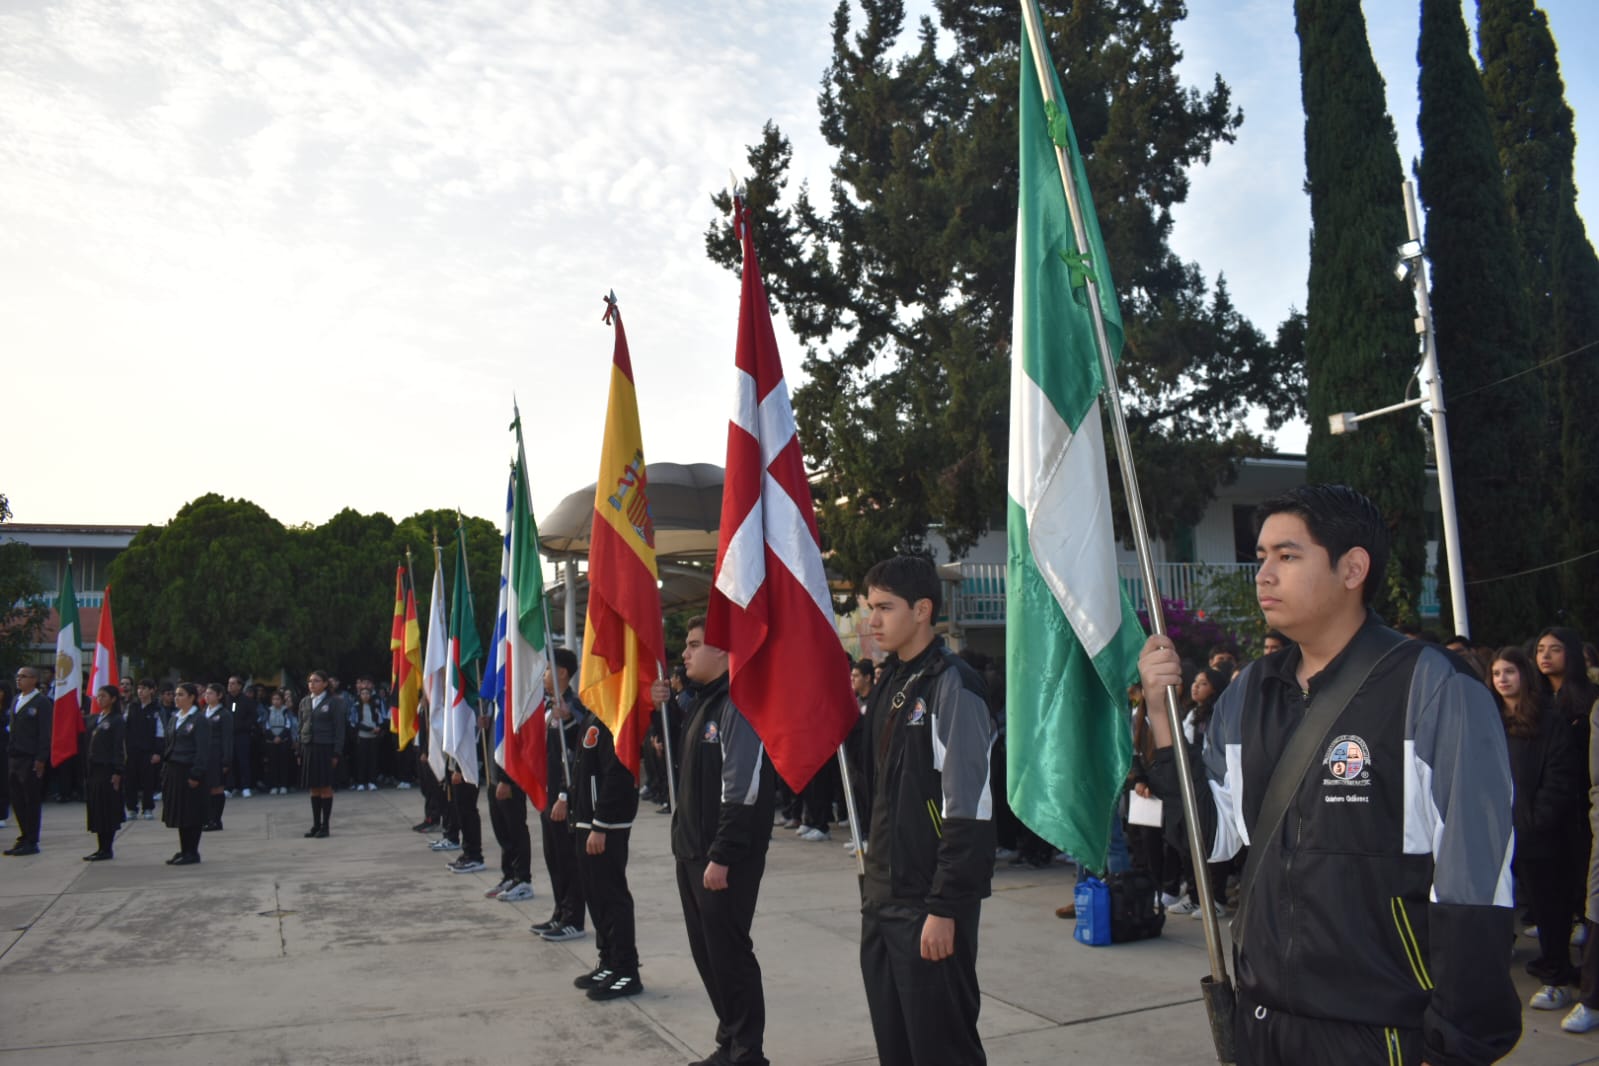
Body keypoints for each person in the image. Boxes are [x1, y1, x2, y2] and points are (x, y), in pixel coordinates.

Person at [1139, 484, 1517, 1065]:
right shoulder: (1249, 693)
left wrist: (1456, 1047)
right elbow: (1211, 841)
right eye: (1260, 557)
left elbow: (1476, 890)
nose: (1263, 574)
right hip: (1262, 1022)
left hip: (1380, 1033)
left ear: (1353, 568)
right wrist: (1164, 721)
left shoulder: (1433, 688)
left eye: (1287, 556)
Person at [858, 556, 995, 1066]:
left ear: (922, 610)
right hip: (883, 897)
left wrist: (944, 906)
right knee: (896, 1047)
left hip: (928, 904)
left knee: (942, 1049)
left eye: (884, 608)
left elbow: (970, 809)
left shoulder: (951, 684)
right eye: (870, 607)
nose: (873, 620)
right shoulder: (892, 682)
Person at [651, 616, 775, 1066]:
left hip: (722, 858)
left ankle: (748, 1053)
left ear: (723, 652)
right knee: (708, 956)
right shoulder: (703, 703)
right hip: (691, 853)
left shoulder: (737, 704)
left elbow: (741, 789)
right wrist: (664, 707)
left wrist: (721, 854)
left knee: (730, 954)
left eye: (694, 645)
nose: (684, 654)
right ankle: (729, 1042)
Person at [1490, 646, 1585, 1010]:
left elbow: (1561, 778)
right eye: (1497, 673)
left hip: (1542, 835)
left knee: (1551, 910)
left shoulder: (1549, 720)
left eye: (1509, 672)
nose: (1502, 679)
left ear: (1524, 676)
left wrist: (1534, 822)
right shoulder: (1491, 720)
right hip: (1501, 831)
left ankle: (1557, 978)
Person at [570, 698, 642, 1000]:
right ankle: (609, 959)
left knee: (612, 896)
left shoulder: (616, 718)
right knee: (595, 896)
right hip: (588, 821)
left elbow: (617, 774)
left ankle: (626, 969)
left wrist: (601, 823)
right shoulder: (593, 716)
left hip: (606, 825)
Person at [532, 648, 588, 943]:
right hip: (547, 793)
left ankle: (573, 918)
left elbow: (576, 757)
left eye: (546, 669)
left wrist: (564, 797)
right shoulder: (549, 707)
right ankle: (559, 911)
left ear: (562, 672)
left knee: (568, 858)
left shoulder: (575, 707)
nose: (543, 675)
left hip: (564, 797)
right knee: (553, 856)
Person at [161, 682, 210, 865]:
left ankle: (192, 851)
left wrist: (196, 774)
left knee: (192, 812)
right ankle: (184, 849)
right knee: (180, 812)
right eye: (176, 694)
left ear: (191, 697)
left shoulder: (199, 719)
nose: (177, 698)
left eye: (181, 694)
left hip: (189, 770)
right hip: (174, 770)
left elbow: (202, 749)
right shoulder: (175, 718)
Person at [5, 666, 51, 855]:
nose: (19, 680)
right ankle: (24, 835)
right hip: (15, 757)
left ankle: (32, 840)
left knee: (31, 800)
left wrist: (41, 758)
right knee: (17, 799)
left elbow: (44, 733)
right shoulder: (17, 700)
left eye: (23, 676)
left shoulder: (41, 702)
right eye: (18, 676)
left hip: (31, 757)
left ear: (33, 680)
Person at [299, 671, 344, 838]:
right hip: (309, 747)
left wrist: (336, 752)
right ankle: (316, 824)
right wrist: (299, 749)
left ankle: (325, 826)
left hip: (325, 748)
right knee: (314, 788)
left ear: (325, 683)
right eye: (310, 681)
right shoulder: (305, 701)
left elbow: (340, 729)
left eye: (316, 681)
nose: (312, 684)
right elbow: (300, 725)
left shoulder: (334, 702)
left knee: (325, 787)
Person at [83, 685, 126, 861]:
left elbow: (119, 747)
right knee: (97, 808)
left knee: (107, 809)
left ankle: (106, 848)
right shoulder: (94, 719)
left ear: (113, 699)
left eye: (104, 696)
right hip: (93, 769)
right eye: (98, 696)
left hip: (108, 769)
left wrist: (118, 771)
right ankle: (100, 847)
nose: (100, 699)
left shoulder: (117, 720)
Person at [124, 679, 163, 819]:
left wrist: (158, 752)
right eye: (139, 688)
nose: (140, 691)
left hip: (148, 751)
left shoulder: (157, 709)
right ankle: (131, 808)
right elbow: (125, 726)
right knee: (130, 781)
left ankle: (148, 808)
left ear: (152, 690)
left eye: (144, 688)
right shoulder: (132, 707)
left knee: (148, 781)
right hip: (132, 750)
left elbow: (160, 732)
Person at [201, 682, 233, 831]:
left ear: (219, 696)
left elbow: (227, 738)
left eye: (210, 693)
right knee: (206, 788)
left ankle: (216, 819)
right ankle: (207, 818)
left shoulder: (224, 714)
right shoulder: (203, 712)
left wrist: (226, 760)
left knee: (217, 788)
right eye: (206, 693)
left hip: (217, 755)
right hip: (204, 755)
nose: (207, 696)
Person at [350, 678, 386, 792]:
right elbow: (354, 722)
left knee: (373, 760)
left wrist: (379, 728)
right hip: (362, 737)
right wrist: (370, 729)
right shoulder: (356, 707)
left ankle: (372, 782)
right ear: (360, 695)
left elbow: (381, 719)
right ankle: (361, 782)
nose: (365, 695)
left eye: (367, 693)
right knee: (361, 760)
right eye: (363, 693)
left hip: (374, 737)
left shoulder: (375, 706)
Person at [226, 675, 259, 797]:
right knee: (230, 761)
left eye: (233, 683)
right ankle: (231, 787)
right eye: (229, 683)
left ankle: (246, 786)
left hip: (242, 735)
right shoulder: (225, 700)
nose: (230, 685)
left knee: (243, 761)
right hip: (228, 736)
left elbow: (253, 717)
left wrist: (243, 726)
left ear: (240, 686)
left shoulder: (247, 701)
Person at [261, 689, 297, 794]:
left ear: (282, 700)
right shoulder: (268, 711)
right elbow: (266, 726)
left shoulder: (286, 711)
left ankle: (283, 785)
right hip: (271, 741)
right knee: (272, 764)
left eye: (278, 699)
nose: (276, 701)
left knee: (283, 763)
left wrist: (280, 737)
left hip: (284, 740)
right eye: (274, 699)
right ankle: (274, 785)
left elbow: (288, 725)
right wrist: (273, 737)